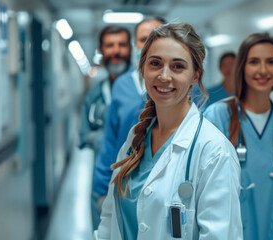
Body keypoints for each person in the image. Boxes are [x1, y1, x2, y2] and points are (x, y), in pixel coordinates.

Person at [95, 22, 242, 239]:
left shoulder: (215, 152)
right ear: (142, 69)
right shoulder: (135, 138)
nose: (164, 76)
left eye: (178, 66)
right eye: (155, 63)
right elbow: (109, 221)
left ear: (195, 75)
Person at [204, 33, 273, 240]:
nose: (263, 70)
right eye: (254, 62)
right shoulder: (217, 116)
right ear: (242, 68)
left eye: (271, 62)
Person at [91, 16, 166, 229]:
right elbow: (111, 140)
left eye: (159, 36)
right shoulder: (123, 85)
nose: (152, 44)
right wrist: (102, 188)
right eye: (144, 39)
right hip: (127, 184)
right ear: (136, 45)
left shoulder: (184, 84)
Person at [84, 25, 132, 229]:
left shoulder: (145, 87)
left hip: (133, 178)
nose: (116, 51)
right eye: (110, 45)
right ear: (101, 50)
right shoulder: (95, 93)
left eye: (122, 44)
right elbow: (84, 133)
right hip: (104, 178)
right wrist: (103, 139)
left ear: (131, 49)